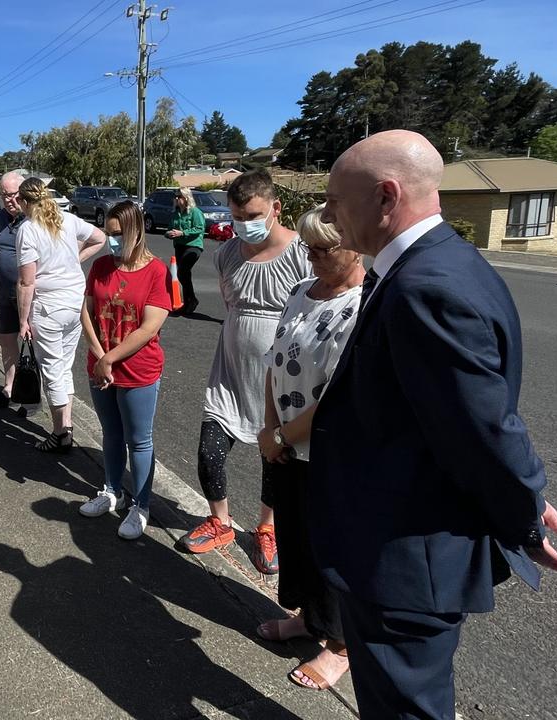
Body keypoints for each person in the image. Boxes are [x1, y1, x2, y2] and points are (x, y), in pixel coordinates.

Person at [311, 130, 557, 720]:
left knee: (407, 709)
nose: (328, 214)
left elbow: (482, 428)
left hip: (404, 555)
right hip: (398, 542)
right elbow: (468, 410)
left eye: (335, 199)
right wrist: (526, 492)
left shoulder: (426, 287)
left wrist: (524, 509)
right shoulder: (439, 263)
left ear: (385, 196)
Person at [178, 168, 311, 577]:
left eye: (252, 216)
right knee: (209, 452)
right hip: (230, 370)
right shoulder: (227, 253)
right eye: (237, 217)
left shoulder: (302, 252)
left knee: (274, 457)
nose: (244, 225)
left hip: (280, 378)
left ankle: (266, 528)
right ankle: (220, 521)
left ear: (276, 208)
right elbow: (232, 304)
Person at [252, 205, 363, 692]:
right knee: (296, 537)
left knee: (332, 548)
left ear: (355, 245)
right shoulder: (301, 292)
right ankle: (307, 619)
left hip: (327, 449)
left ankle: (341, 646)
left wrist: (283, 436)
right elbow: (277, 360)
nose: (313, 257)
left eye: (324, 249)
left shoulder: (362, 305)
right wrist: (269, 427)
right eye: (308, 248)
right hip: (285, 442)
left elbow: (340, 394)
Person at [77, 200, 171, 539]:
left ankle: (141, 505)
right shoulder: (102, 266)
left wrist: (110, 358)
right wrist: (99, 354)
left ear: (136, 231)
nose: (112, 240)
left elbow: (149, 327)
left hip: (137, 370)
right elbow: (86, 311)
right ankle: (111, 490)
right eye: (108, 232)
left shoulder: (156, 270)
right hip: (101, 367)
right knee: (112, 434)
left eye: (118, 234)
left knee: (139, 440)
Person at [15, 176, 106, 453]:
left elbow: (27, 282)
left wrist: (23, 319)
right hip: (75, 302)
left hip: (50, 306)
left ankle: (59, 433)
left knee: (53, 370)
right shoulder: (66, 219)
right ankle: (67, 425)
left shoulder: (28, 229)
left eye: (19, 200)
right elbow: (99, 238)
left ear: (26, 201)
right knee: (64, 366)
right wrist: (73, 261)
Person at [0, 171, 27, 410]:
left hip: (30, 295)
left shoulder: (34, 219)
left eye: (13, 195)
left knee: (34, 346)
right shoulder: (0, 218)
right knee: (6, 341)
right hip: (5, 291)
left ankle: (30, 395)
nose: (9, 200)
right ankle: (9, 388)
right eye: (4, 195)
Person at [164, 187, 205, 316]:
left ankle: (190, 300)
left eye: (179, 197)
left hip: (193, 246)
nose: (177, 199)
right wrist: (169, 233)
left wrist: (183, 233)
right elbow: (169, 228)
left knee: (183, 271)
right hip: (179, 246)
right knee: (183, 275)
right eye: (175, 197)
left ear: (186, 198)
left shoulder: (195, 212)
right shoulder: (176, 213)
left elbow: (199, 228)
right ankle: (189, 301)